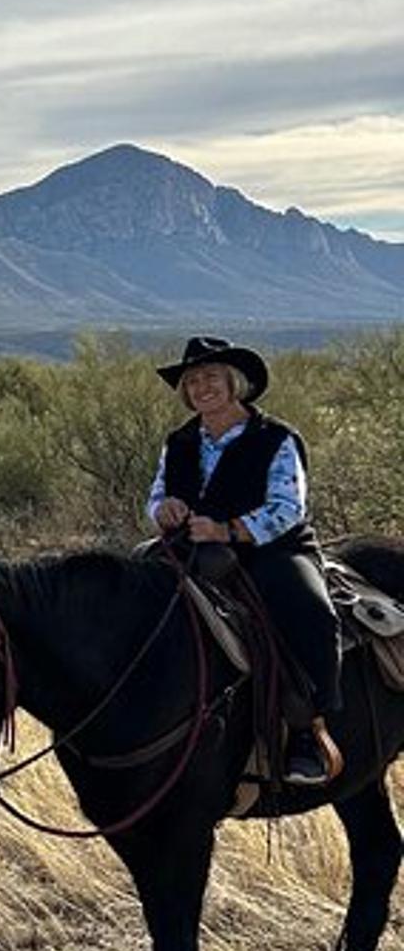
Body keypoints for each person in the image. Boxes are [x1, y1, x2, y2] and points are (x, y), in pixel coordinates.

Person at [147, 335, 338, 785]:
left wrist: (228, 530)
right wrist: (164, 509)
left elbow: (288, 509)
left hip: (271, 551)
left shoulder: (276, 438)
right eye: (192, 381)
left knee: (310, 610)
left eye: (210, 377)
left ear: (235, 383)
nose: (201, 387)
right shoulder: (179, 441)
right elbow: (157, 494)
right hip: (192, 549)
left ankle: (309, 727)